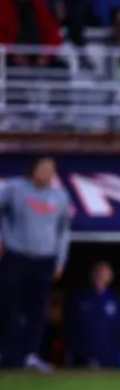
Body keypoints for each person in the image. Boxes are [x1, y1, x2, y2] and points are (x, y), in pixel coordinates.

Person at [0, 154, 72, 371]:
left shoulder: (60, 197)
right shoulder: (14, 189)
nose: (49, 173)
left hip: (45, 259)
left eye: (52, 169)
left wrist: (60, 260)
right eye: (45, 168)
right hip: (16, 255)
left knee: (38, 309)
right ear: (33, 169)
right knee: (6, 305)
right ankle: (7, 353)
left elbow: (63, 231)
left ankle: (31, 355)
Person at [66, 262, 120, 368]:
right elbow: (70, 328)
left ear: (110, 276)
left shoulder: (117, 301)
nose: (100, 276)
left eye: (104, 273)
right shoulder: (79, 299)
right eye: (98, 272)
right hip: (82, 359)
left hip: (110, 359)